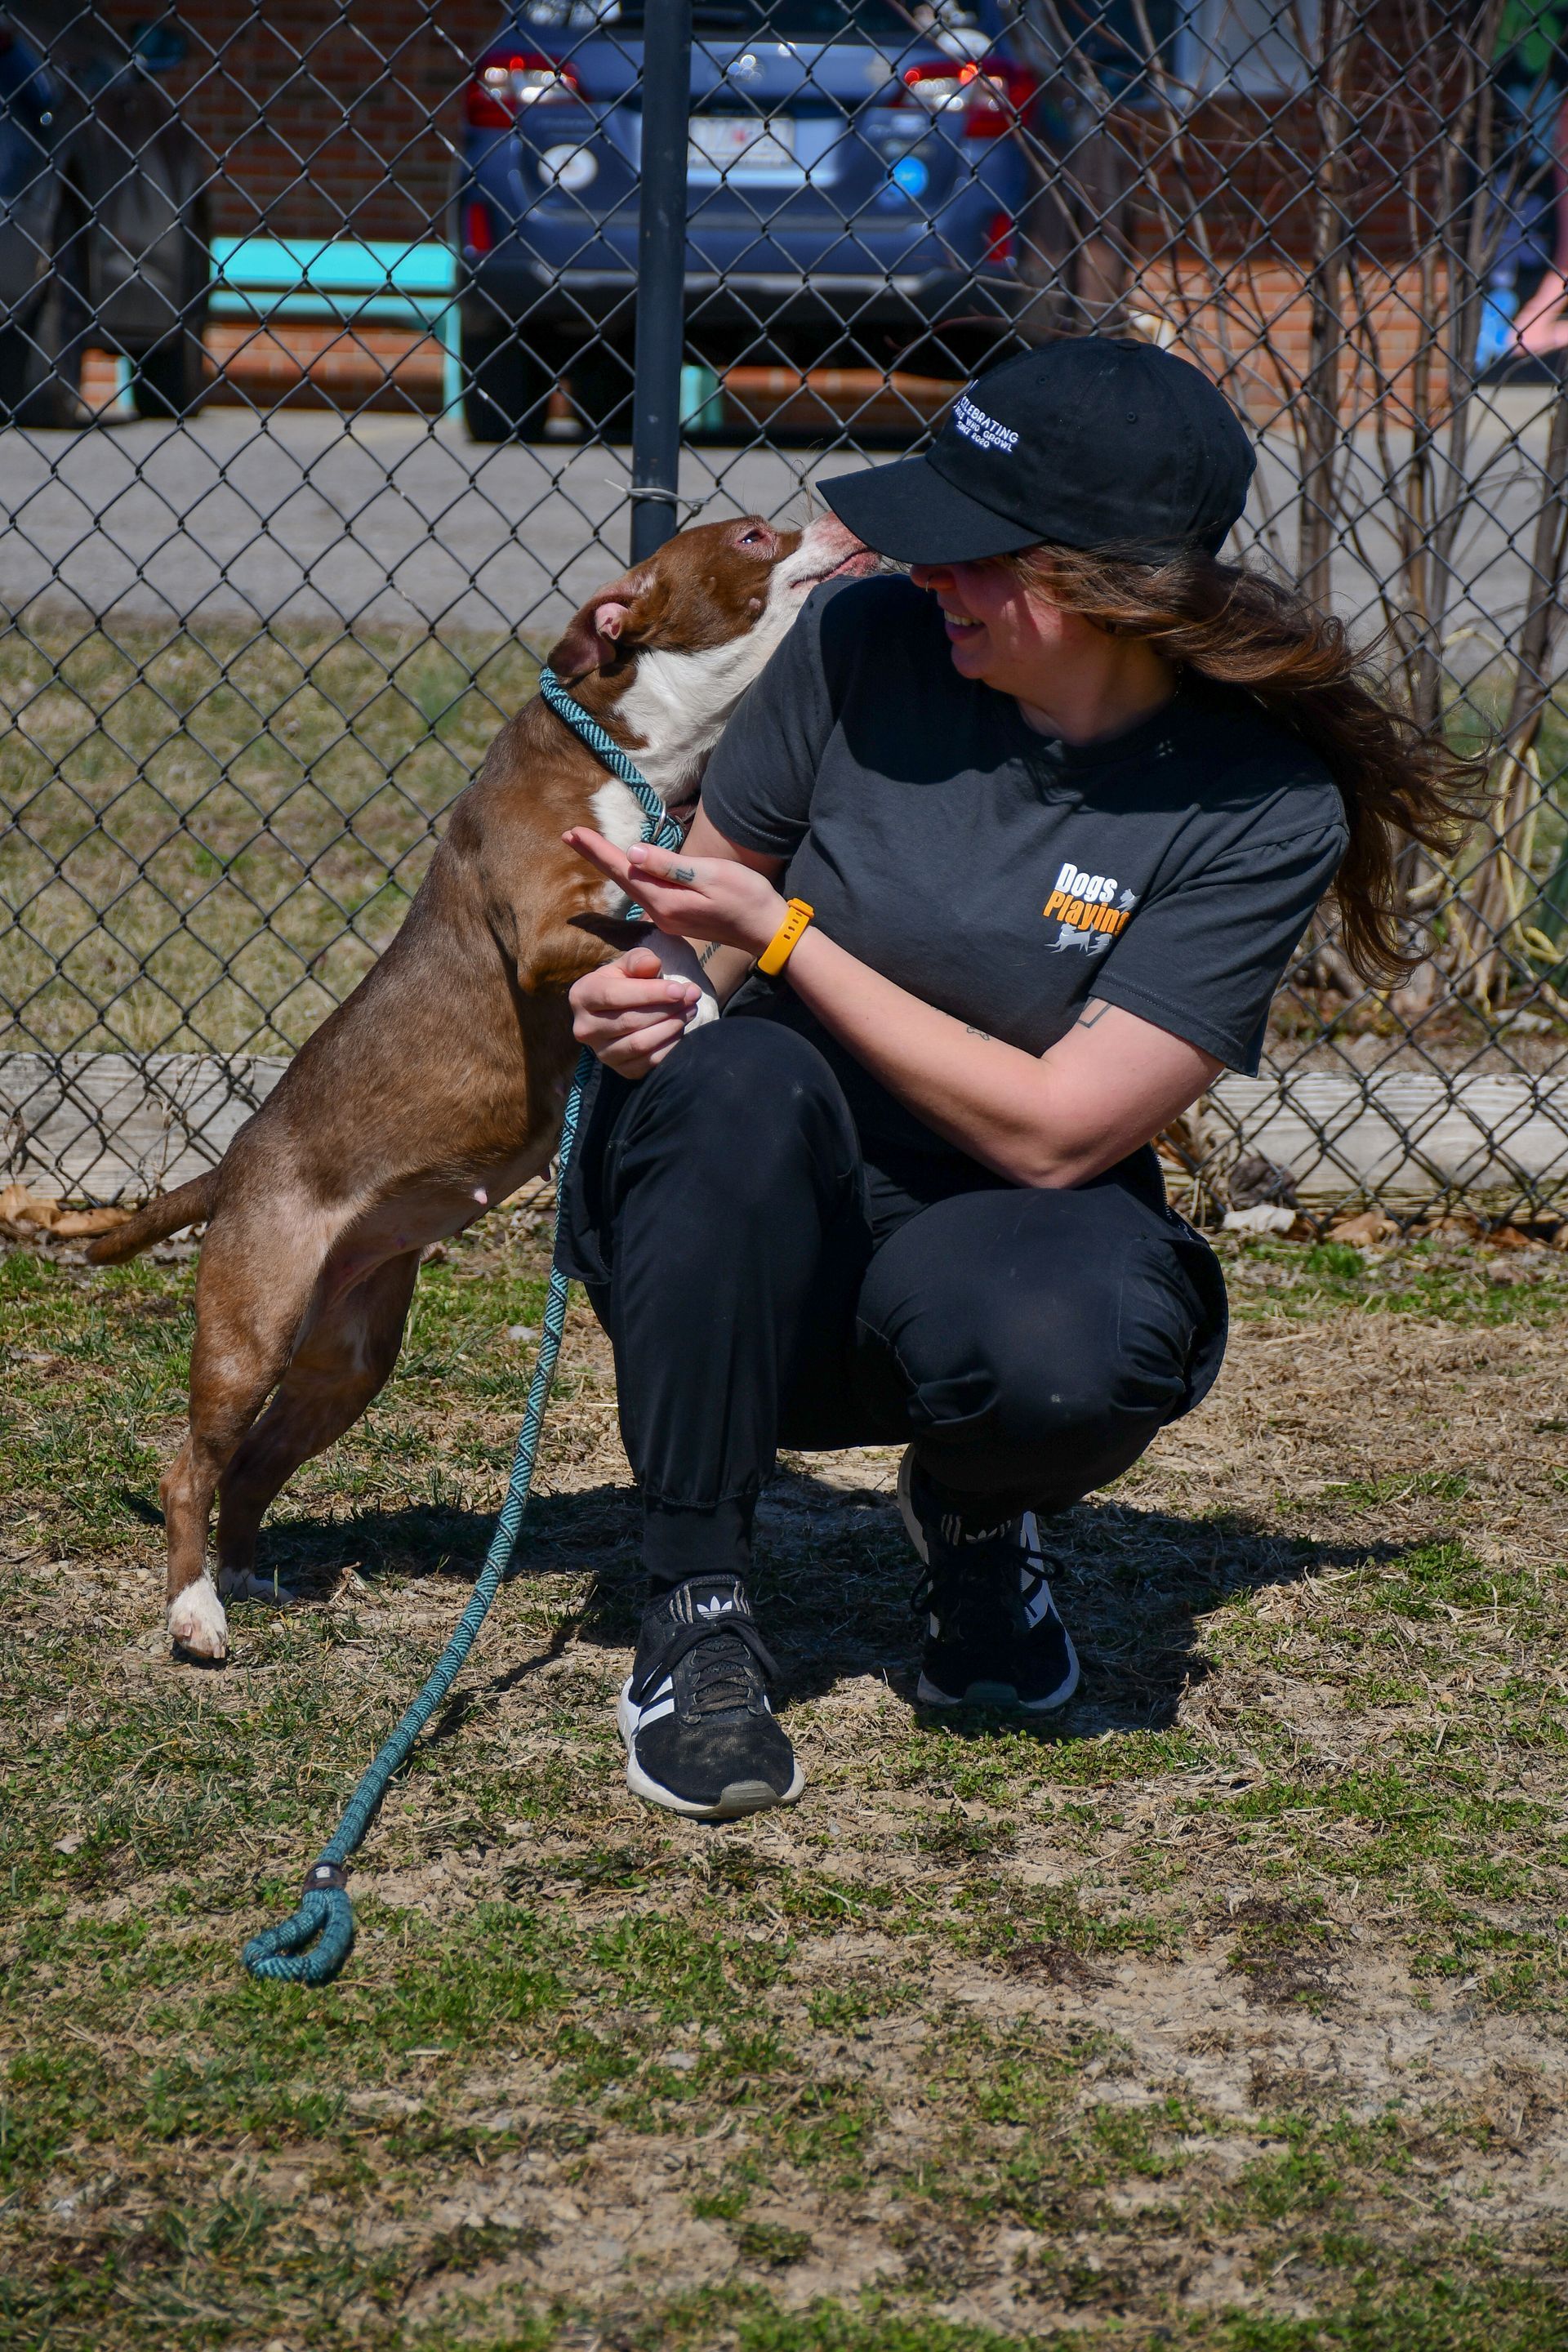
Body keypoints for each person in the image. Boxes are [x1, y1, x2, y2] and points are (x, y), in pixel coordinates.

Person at [559, 337, 1476, 1823]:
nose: (929, 577)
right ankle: (697, 1606)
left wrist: (787, 937)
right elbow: (709, 905)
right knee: (731, 1090)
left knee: (1081, 1355)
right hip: (748, 1209)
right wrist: (656, 986)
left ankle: (978, 1518)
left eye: (972, 555)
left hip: (998, 1202)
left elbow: (1062, 1131)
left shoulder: (1257, 802)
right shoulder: (861, 647)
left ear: (1107, 586)